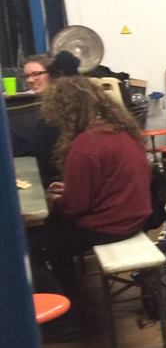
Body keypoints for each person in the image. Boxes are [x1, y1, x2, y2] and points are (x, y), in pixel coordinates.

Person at [38, 76, 152, 300]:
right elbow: (111, 182)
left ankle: (68, 305)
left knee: (42, 244)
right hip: (137, 218)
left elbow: (75, 206)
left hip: (112, 226)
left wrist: (56, 202)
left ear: (68, 111)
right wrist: (71, 188)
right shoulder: (122, 132)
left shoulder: (86, 144)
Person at [11, 51, 81, 186]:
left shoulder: (64, 108)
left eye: (36, 74)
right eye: (27, 76)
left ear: (53, 75)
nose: (30, 80)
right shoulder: (49, 107)